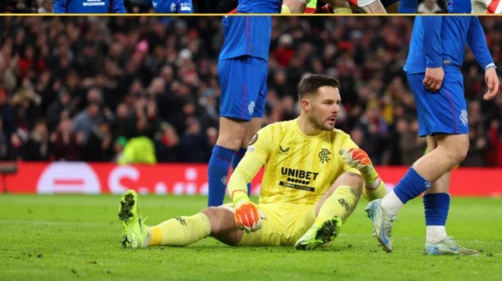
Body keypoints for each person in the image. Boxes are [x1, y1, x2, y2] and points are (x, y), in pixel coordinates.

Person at [120, 74, 387, 251]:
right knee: (212, 216)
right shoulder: (274, 133)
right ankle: (144, 235)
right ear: (306, 105)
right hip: (267, 217)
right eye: (328, 103)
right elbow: (240, 174)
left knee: (352, 176)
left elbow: (381, 202)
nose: (336, 109)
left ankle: (321, 231)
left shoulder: (342, 140)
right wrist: (242, 202)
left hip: (311, 216)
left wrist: (367, 171)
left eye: (338, 103)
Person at [367, 17, 499, 255]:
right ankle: (387, 206)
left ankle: (435, 237)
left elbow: (472, 24)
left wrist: (488, 64)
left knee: (442, 153)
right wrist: (434, 61)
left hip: (440, 64)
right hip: (439, 66)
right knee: (456, 149)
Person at [207, 14, 272, 206]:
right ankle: (213, 214)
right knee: (230, 139)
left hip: (258, 60)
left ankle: (241, 210)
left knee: (249, 144)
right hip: (242, 57)